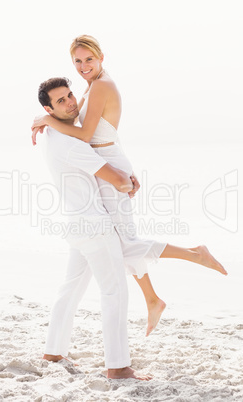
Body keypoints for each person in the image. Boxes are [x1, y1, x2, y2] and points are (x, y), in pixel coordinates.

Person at [32, 35, 227, 337]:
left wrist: (45, 118)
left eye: (88, 59)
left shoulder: (100, 86)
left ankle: (194, 254)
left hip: (108, 165)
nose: (83, 66)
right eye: (78, 61)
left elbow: (84, 135)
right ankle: (152, 299)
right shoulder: (92, 86)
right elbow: (101, 130)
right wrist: (125, 165)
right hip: (109, 161)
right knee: (123, 240)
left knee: (124, 243)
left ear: (101, 57)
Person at [36, 76, 153, 380]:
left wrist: (122, 174)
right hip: (95, 226)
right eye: (61, 101)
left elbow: (107, 167)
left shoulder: (53, 134)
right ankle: (118, 366)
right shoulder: (71, 143)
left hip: (76, 224)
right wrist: (127, 178)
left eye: (70, 95)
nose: (71, 102)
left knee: (71, 287)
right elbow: (117, 180)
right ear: (49, 109)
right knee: (114, 292)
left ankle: (53, 350)